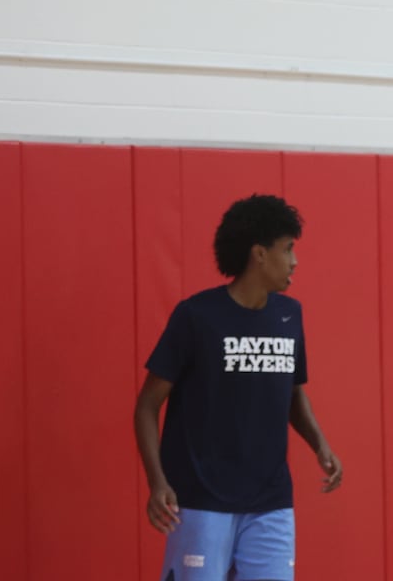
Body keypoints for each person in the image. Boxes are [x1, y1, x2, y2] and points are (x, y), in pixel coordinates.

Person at [133, 194, 343, 581]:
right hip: (200, 499)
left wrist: (319, 444)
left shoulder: (288, 314)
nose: (295, 260)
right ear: (259, 254)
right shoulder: (196, 316)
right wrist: (157, 481)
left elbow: (293, 392)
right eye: (288, 248)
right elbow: (147, 405)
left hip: (271, 500)